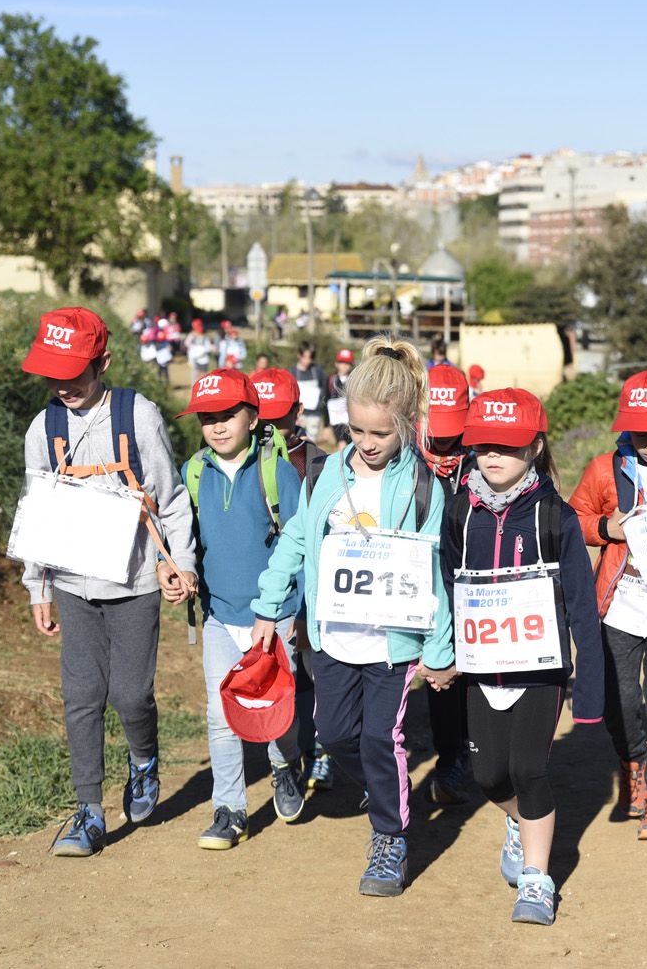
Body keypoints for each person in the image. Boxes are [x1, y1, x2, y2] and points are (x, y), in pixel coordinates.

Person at [250, 337, 454, 898]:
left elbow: (430, 569)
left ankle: (389, 839)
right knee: (337, 735)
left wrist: (439, 650)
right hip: (333, 639)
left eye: (379, 433)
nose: (365, 443)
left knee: (379, 741)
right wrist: (271, 604)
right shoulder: (325, 474)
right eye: (356, 430)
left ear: (407, 421)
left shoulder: (421, 485)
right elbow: (297, 537)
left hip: (392, 645)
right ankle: (383, 785)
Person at [17, 306, 197, 857]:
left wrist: (181, 562)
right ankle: (88, 810)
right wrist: (37, 586)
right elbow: (38, 511)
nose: (64, 385)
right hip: (73, 580)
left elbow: (169, 496)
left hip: (136, 579)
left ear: (103, 364)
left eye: (75, 372)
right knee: (81, 694)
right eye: (54, 373)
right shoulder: (42, 429)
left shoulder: (137, 415)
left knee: (130, 693)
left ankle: (143, 759)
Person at [441, 389, 603, 926]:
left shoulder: (555, 516)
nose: (492, 455)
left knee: (530, 768)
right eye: (483, 444)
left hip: (540, 668)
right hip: (481, 670)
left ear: (534, 448)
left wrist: (592, 694)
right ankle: (519, 821)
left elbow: (582, 606)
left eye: (507, 446)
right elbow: (444, 584)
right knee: (489, 776)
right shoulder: (459, 509)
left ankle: (537, 880)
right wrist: (442, 652)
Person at [171, 369, 307, 850]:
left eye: (229, 414)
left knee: (272, 707)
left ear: (253, 417)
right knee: (221, 711)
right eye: (208, 418)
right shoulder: (193, 472)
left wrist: (296, 611)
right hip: (219, 614)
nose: (218, 425)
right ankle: (229, 809)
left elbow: (299, 539)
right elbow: (186, 542)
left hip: (275, 615)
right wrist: (179, 574)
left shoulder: (277, 471)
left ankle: (286, 764)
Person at [568, 370, 647, 840]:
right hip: (618, 602)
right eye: (640, 431)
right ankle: (633, 762)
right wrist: (607, 529)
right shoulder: (604, 469)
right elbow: (574, 518)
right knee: (615, 700)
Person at [251, 366, 334, 786]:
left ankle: (322, 748)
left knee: (317, 669)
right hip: (270, 589)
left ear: (299, 411)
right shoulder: (244, 461)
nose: (272, 429)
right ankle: (294, 750)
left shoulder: (318, 465)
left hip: (314, 588)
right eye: (263, 420)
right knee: (286, 673)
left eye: (280, 419)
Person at [419, 362, 474, 806]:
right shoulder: (403, 453)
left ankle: (464, 755)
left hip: (471, 581)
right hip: (418, 580)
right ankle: (448, 756)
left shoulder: (483, 455)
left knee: (466, 673)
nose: (443, 439)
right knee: (437, 677)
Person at [292, 342, 329, 444]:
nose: (307, 360)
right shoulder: (292, 372)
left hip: (314, 414)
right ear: (299, 355)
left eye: (310, 357)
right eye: (305, 357)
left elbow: (324, 392)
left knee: (312, 443)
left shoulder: (318, 371)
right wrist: (293, 415)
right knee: (297, 441)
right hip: (299, 415)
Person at [326, 347, 355, 448]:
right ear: (336, 364)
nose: (344, 366)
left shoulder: (354, 381)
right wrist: (326, 426)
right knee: (342, 443)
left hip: (351, 420)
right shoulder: (331, 380)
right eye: (342, 362)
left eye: (347, 363)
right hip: (336, 421)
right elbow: (325, 402)